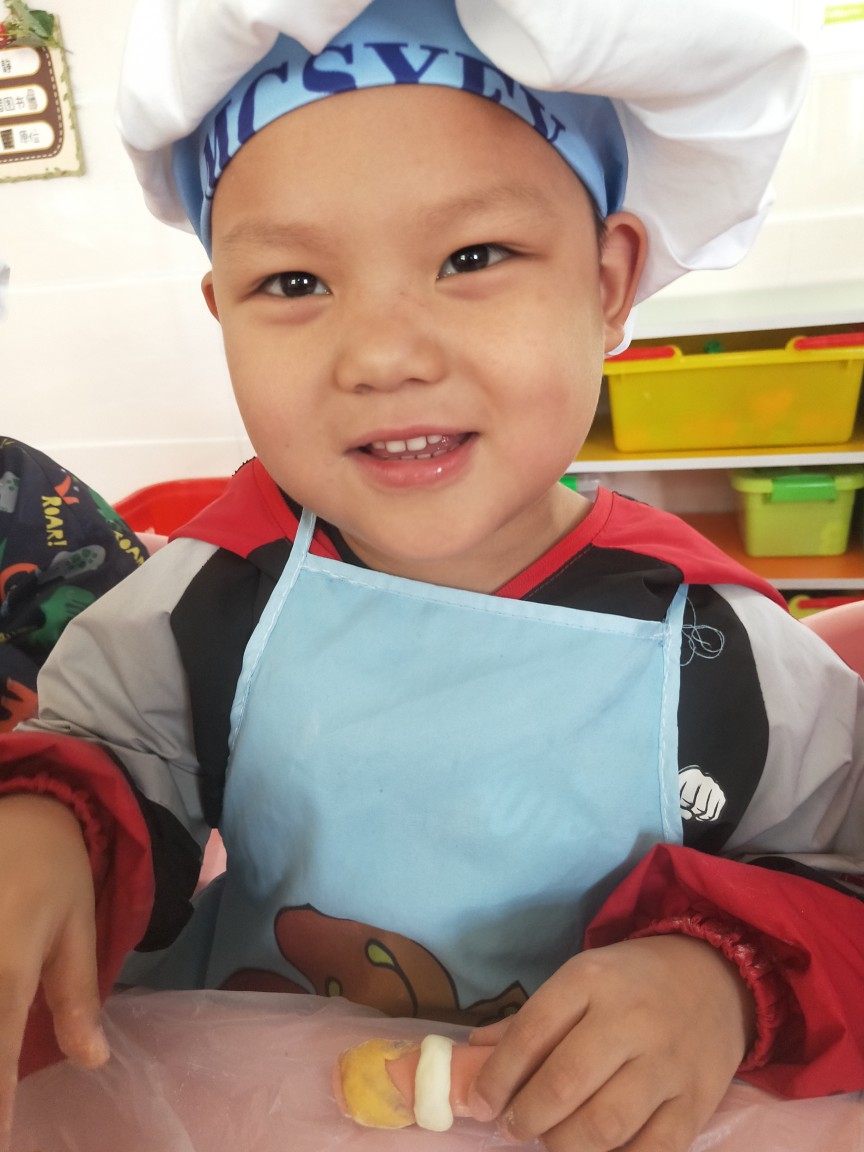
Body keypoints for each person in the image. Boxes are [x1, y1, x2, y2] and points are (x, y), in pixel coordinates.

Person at [2, 2, 864, 1150]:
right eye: (294, 283)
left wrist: (722, 980)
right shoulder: (215, 592)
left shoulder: (715, 641)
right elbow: (109, 751)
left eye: (472, 258)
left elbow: (844, 882)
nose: (382, 355)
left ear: (608, 282)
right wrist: (51, 828)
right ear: (221, 312)